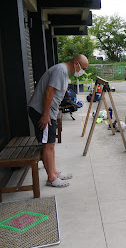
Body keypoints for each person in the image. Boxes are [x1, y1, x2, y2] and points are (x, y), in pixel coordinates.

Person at [27, 54, 89, 187]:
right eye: (83, 68)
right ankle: (51, 178)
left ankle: (54, 172)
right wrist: (46, 115)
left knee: (51, 143)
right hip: (42, 112)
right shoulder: (60, 71)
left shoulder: (63, 71)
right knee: (48, 145)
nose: (82, 71)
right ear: (76, 63)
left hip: (48, 112)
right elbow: (49, 92)